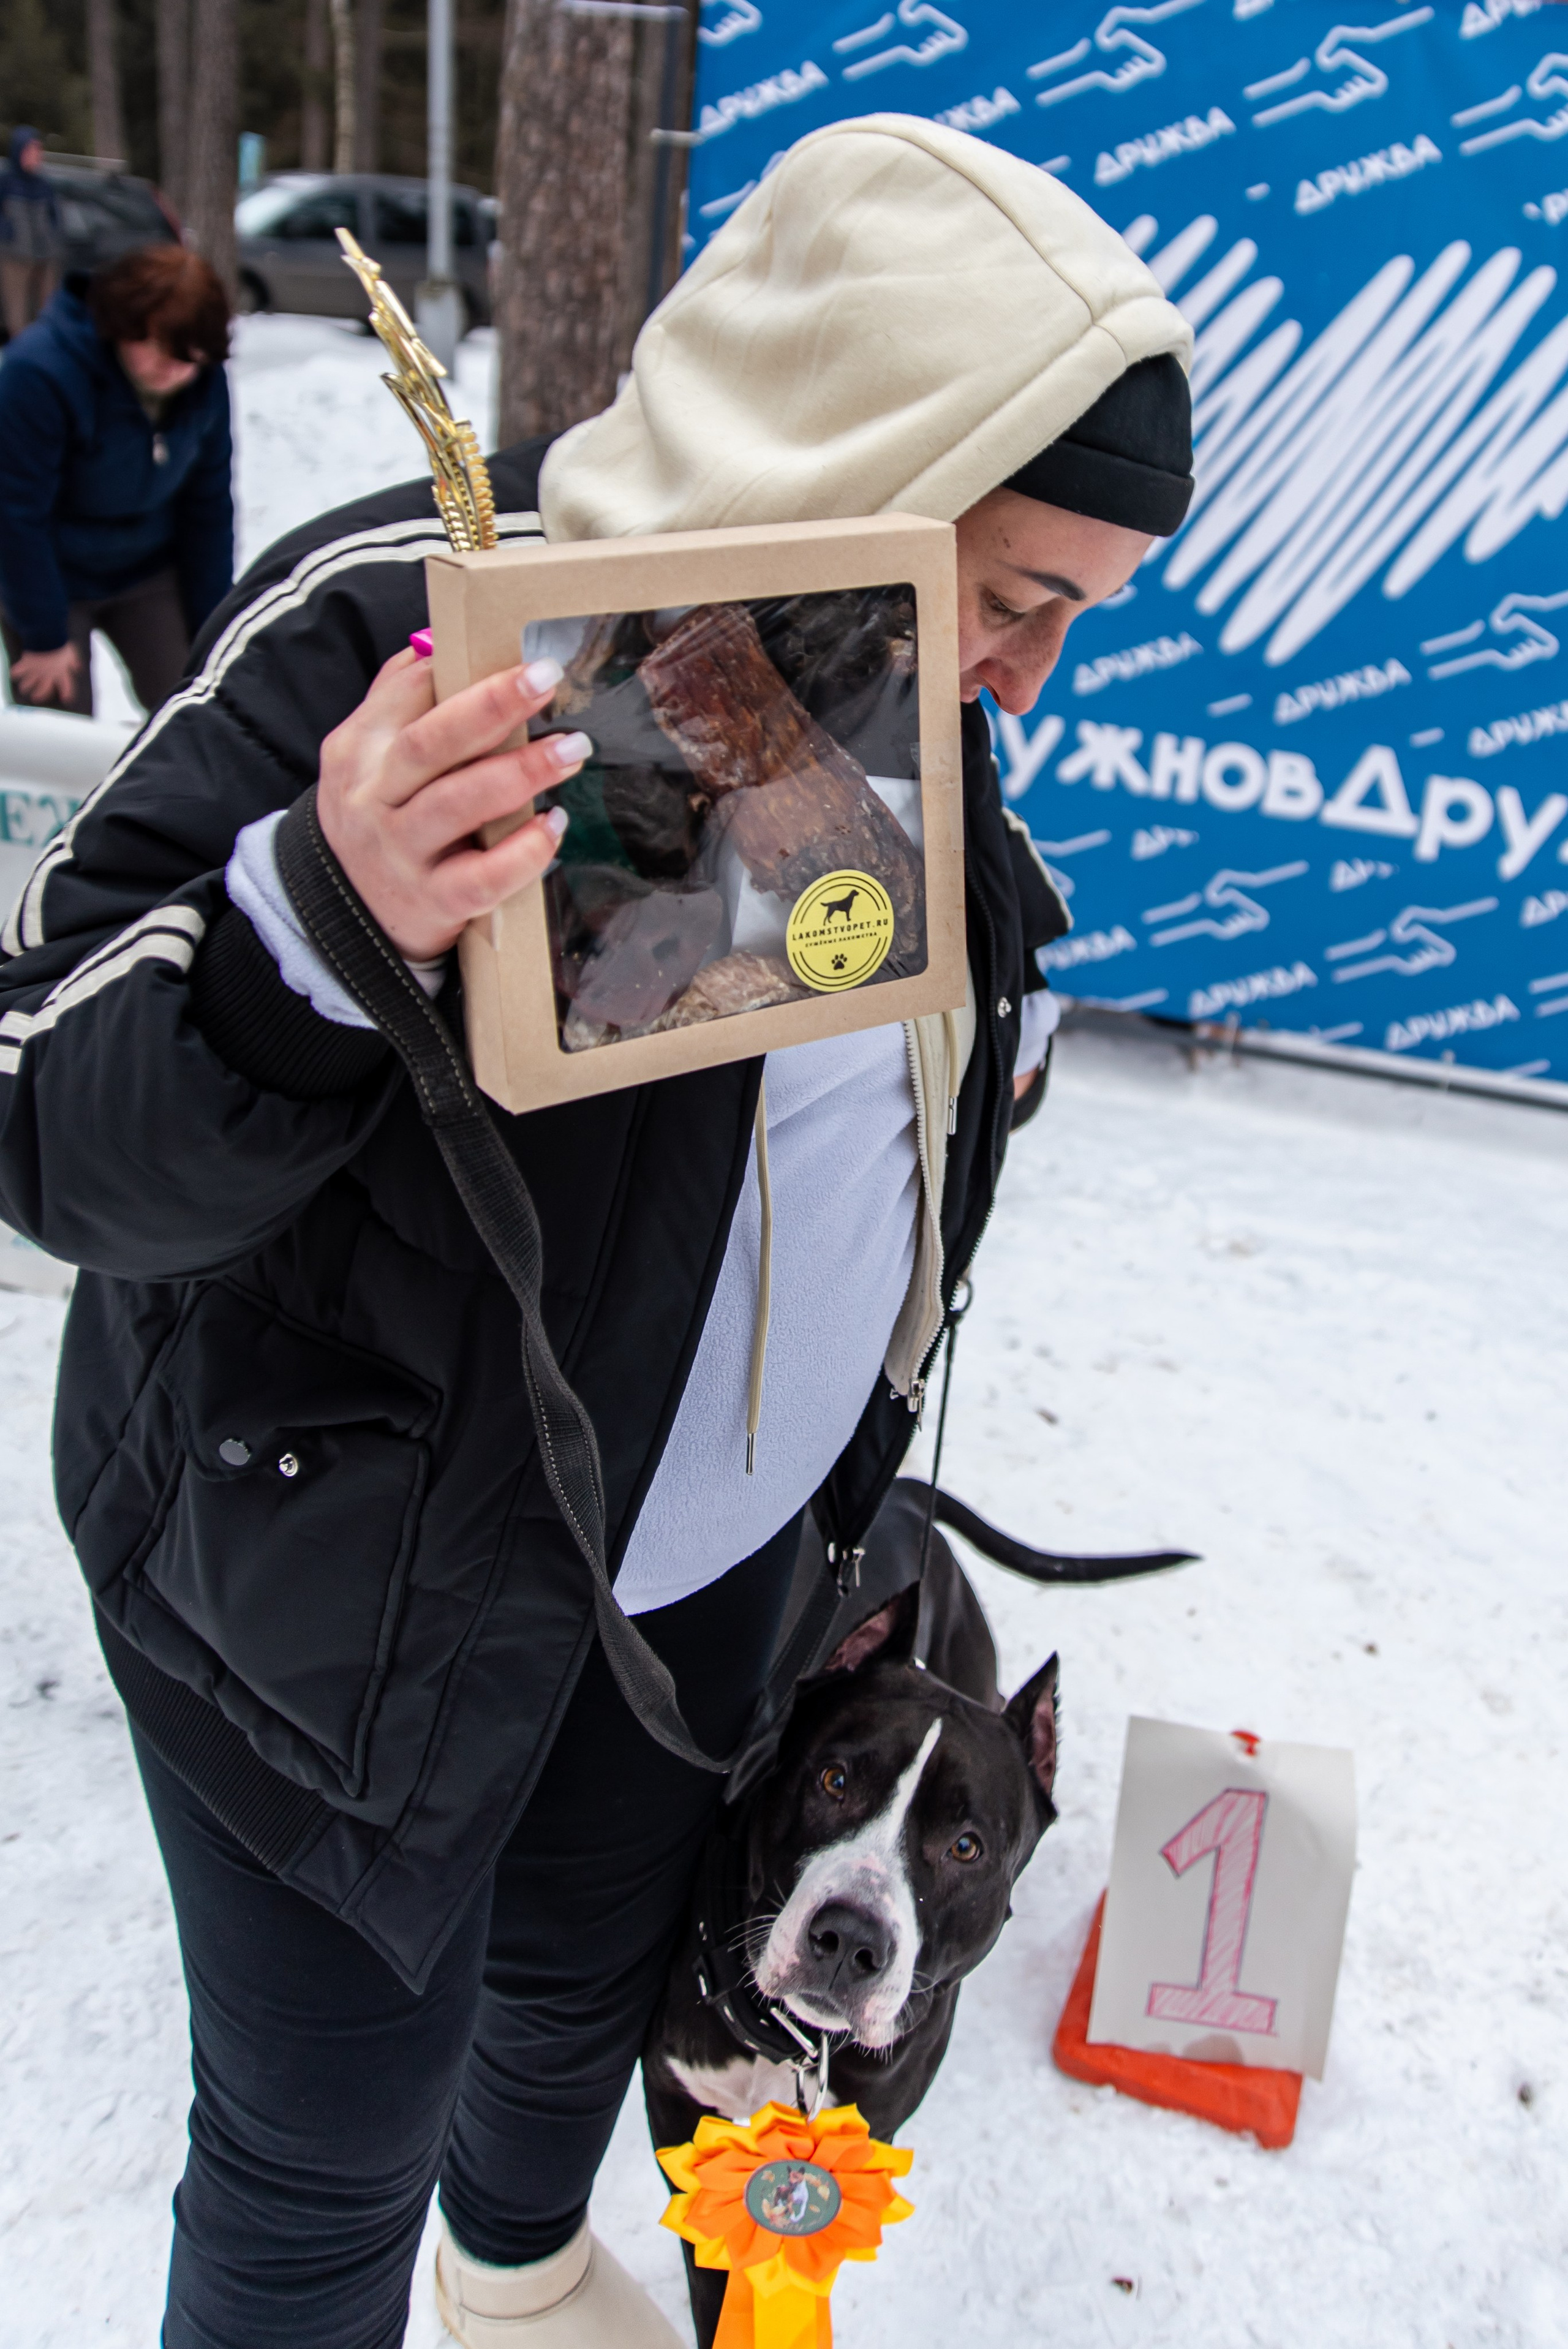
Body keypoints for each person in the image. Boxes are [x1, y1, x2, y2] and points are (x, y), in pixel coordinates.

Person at [0, 117, 1193, 2349]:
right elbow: (51, 1119)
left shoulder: (894, 682)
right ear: (866, 441)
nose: (1022, 677)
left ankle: (521, 2267)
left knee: (570, 1989)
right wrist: (314, 921)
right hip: (340, 1594)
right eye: (1012, 590)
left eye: (1065, 619)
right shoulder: (409, 615)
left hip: (714, 1584)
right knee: (319, 2143)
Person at [0, 242, 232, 717]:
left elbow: (208, 506)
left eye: (188, 359)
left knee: (196, 708)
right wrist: (43, 634)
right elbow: (16, 514)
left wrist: (215, 629)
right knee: (58, 731)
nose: (172, 370)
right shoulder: (39, 372)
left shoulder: (204, 381)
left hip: (148, 567)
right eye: (156, 348)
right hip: (51, 570)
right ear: (121, 326)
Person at [0, 126, 64, 339]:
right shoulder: (6, 183)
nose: (38, 155)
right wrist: (8, 233)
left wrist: (54, 240)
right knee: (18, 317)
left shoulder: (44, 185)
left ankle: (44, 354)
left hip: (46, 257)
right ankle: (21, 358)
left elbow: (55, 217)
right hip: (16, 258)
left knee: (47, 313)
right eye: (31, 150)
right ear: (19, 152)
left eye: (39, 150)